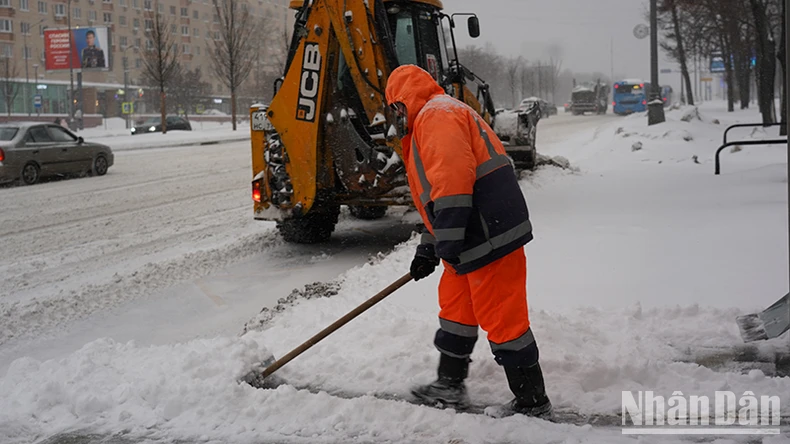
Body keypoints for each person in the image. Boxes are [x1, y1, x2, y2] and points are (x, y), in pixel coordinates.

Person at [385, 64, 552, 418]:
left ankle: (532, 402)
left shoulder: (437, 116)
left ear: (404, 99)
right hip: (472, 231)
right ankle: (449, 383)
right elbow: (435, 197)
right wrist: (429, 245)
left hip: (487, 233)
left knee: (504, 318)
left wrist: (445, 242)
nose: (395, 116)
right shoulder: (431, 118)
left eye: (395, 107)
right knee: (456, 308)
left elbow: (454, 183)